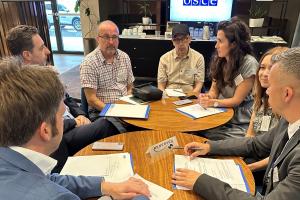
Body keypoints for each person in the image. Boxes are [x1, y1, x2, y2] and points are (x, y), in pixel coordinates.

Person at [0, 57, 150, 199]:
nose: (66, 111)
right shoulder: (54, 196)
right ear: (45, 131)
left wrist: (105, 186)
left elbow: (49, 179)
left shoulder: (12, 161)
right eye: (61, 114)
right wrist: (141, 196)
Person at [172, 47, 300, 200]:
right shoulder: (288, 122)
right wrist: (210, 147)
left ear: (287, 93)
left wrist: (201, 182)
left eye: (271, 86)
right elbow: (255, 145)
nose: (267, 91)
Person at [6, 25, 119, 172]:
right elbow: (41, 128)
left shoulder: (48, 72)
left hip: (70, 124)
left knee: (106, 125)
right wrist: (74, 122)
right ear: (27, 54)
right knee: (107, 124)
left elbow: (68, 99)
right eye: (41, 48)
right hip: (60, 134)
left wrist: (81, 115)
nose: (47, 51)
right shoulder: (21, 90)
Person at [198, 19, 258, 140]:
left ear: (234, 44)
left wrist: (214, 103)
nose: (216, 46)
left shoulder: (249, 63)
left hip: (239, 119)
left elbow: (236, 100)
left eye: (220, 41)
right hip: (220, 112)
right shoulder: (219, 59)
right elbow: (214, 91)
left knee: (209, 135)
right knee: (196, 128)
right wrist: (208, 97)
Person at [80, 20, 134, 121]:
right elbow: (91, 99)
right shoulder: (89, 62)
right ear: (98, 39)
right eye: (106, 37)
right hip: (101, 111)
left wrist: (128, 104)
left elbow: (130, 87)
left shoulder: (124, 57)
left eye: (114, 37)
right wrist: (114, 111)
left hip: (124, 108)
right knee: (124, 130)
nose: (111, 42)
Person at [245, 47, 288, 173]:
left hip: (271, 164)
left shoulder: (287, 107)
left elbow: (279, 155)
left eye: (271, 68)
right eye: (262, 67)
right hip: (254, 152)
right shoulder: (261, 98)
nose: (264, 73)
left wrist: (248, 168)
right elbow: (250, 134)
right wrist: (239, 156)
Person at [157, 24, 205, 94]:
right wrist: (165, 98)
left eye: (184, 39)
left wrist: (190, 97)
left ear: (189, 39)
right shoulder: (164, 59)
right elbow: (161, 86)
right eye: (177, 40)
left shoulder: (198, 58)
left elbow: (199, 85)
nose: (181, 43)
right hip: (169, 96)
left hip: (190, 95)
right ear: (172, 42)